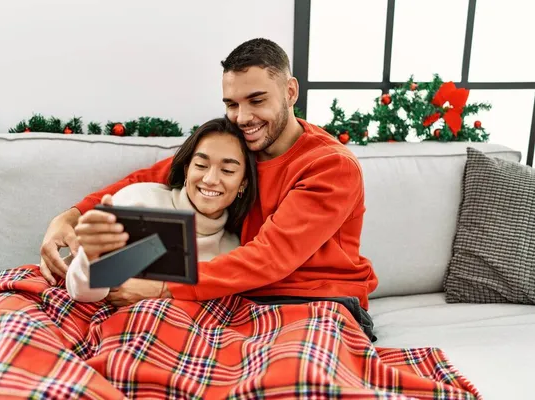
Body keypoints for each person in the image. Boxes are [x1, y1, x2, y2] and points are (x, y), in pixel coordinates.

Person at [39, 38, 378, 337]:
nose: (243, 116)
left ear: (290, 92)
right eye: (232, 104)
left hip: (319, 301)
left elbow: (269, 258)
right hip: (238, 298)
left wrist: (161, 288)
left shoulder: (330, 166)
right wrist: (69, 217)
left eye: (256, 100)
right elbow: (154, 176)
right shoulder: (241, 146)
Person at [65, 117, 257, 304]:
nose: (210, 179)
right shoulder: (142, 203)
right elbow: (84, 292)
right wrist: (90, 258)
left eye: (228, 171)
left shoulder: (233, 250)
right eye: (201, 165)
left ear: (243, 183)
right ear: (186, 169)